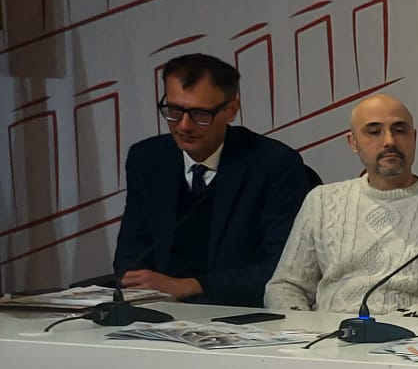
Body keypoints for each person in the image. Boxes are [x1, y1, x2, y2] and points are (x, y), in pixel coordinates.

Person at [112, 53, 320, 307]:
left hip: (239, 311)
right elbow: (131, 250)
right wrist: (139, 286)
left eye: (200, 114)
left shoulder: (273, 164)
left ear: (231, 109)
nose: (184, 125)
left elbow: (284, 267)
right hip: (159, 308)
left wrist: (190, 286)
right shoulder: (147, 158)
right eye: (174, 111)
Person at [265, 94, 418, 316]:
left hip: (412, 333)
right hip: (327, 333)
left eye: (400, 130)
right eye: (374, 132)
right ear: (353, 142)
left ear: (414, 138)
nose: (389, 141)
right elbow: (285, 286)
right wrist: (303, 326)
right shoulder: (321, 201)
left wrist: (399, 324)